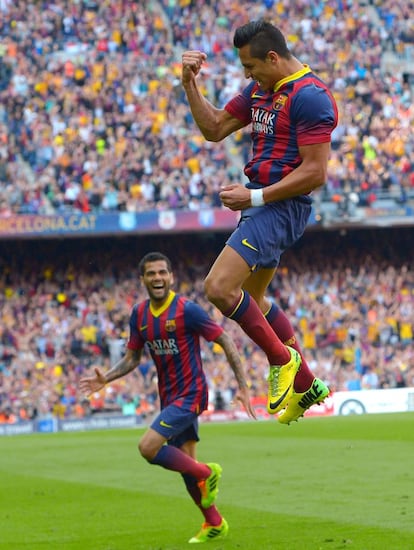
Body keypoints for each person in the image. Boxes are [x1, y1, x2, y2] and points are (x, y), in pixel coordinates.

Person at [181, 19, 338, 424]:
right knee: (255, 298)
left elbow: (316, 173)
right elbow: (214, 128)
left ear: (272, 57)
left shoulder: (311, 97)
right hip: (261, 206)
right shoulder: (260, 91)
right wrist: (189, 85)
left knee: (218, 287)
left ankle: (282, 359)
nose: (247, 76)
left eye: (251, 68)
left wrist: (253, 196)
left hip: (280, 206)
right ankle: (306, 382)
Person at [79, 251, 255, 544]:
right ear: (143, 279)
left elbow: (224, 339)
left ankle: (207, 471)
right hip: (169, 398)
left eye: (162, 272)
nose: (158, 278)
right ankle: (214, 522)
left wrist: (243, 385)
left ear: (171, 277)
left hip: (192, 394)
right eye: (151, 273)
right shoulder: (139, 314)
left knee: (148, 447)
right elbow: (132, 358)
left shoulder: (188, 310)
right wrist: (105, 379)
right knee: (185, 469)